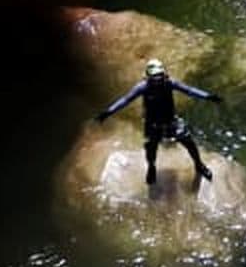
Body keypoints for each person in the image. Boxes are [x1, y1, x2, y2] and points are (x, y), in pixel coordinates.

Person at [95, 59, 223, 185]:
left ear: (163, 74)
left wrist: (208, 96)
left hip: (170, 120)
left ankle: (199, 165)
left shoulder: (169, 83)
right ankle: (152, 167)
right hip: (152, 123)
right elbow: (125, 100)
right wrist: (108, 112)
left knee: (189, 142)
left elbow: (189, 90)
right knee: (151, 148)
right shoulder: (143, 87)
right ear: (148, 77)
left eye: (159, 76)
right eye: (155, 77)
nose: (157, 80)